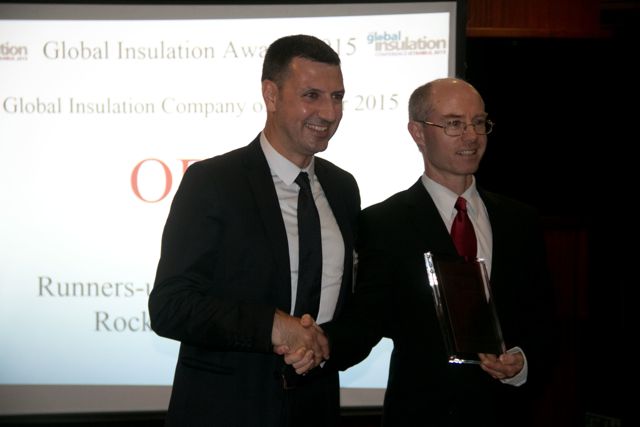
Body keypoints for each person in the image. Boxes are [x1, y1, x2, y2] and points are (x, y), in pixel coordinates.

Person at [148, 34, 360, 427]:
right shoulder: (213, 182)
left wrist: (323, 344)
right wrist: (275, 326)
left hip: (316, 410)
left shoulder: (343, 188)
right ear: (271, 95)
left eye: (337, 97)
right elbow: (170, 306)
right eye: (312, 96)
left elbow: (349, 306)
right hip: (225, 412)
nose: (330, 112)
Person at [321, 77, 554, 426]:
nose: (471, 136)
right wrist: (316, 343)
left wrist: (521, 362)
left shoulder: (520, 221)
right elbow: (365, 322)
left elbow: (544, 324)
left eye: (479, 122)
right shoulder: (384, 223)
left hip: (504, 414)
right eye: (454, 124)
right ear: (417, 132)